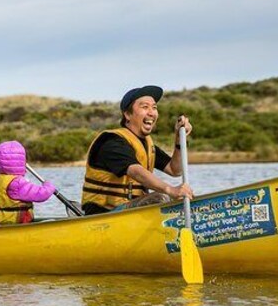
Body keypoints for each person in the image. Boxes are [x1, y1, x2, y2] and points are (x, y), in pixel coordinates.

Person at [81, 85, 194, 215]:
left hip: (130, 210)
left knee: (178, 198)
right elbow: (136, 171)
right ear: (128, 114)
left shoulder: (146, 145)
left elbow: (175, 170)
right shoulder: (111, 141)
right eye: (145, 107)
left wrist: (180, 140)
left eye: (154, 107)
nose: (151, 112)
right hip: (103, 213)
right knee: (160, 198)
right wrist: (170, 189)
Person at [0, 141, 56, 225]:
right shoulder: (17, 183)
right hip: (14, 222)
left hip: (1, 220)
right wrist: (48, 186)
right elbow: (40, 194)